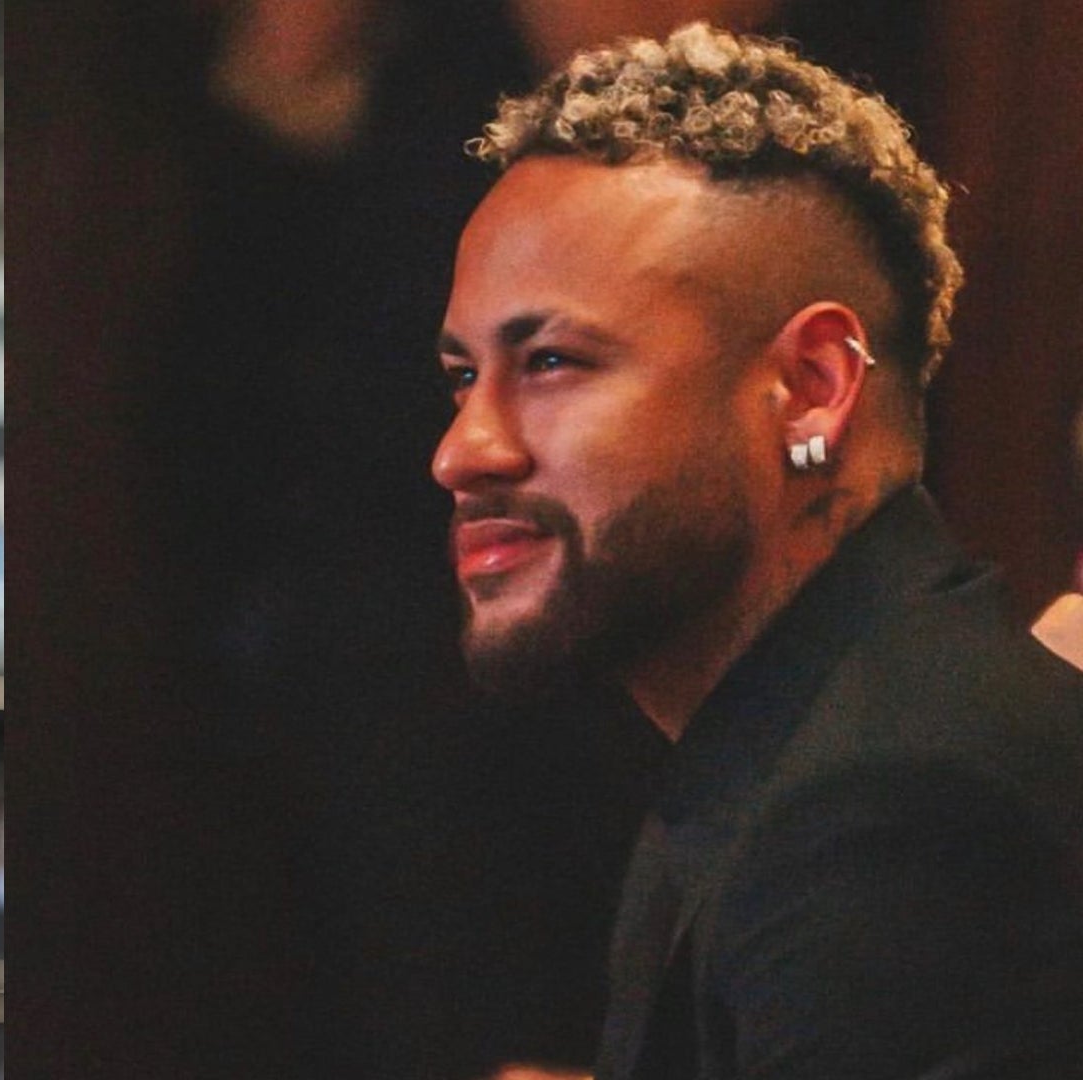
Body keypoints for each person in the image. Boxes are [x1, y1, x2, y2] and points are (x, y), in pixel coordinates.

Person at [434, 24, 1083, 1079]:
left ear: (814, 387)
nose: (464, 450)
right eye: (464, 377)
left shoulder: (895, 804)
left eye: (551, 362)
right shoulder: (811, 733)